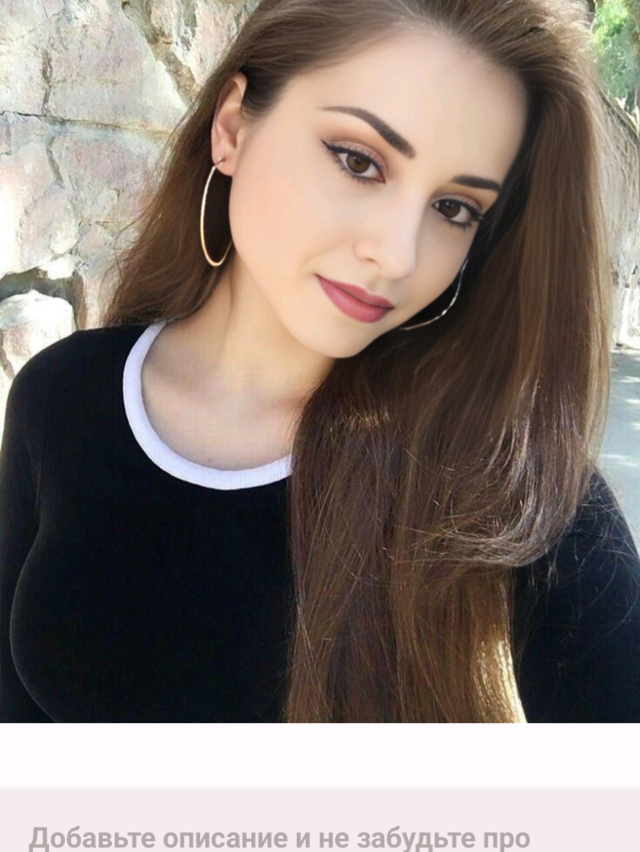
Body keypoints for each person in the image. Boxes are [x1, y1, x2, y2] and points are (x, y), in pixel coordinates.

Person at [1, 0, 639, 723]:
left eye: (454, 208)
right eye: (359, 161)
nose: (397, 255)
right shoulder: (62, 396)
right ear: (233, 127)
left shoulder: (496, 482)